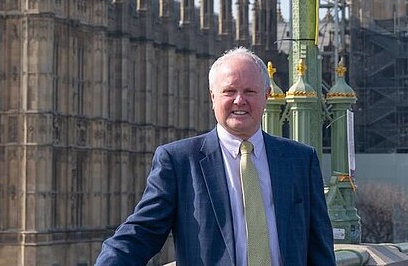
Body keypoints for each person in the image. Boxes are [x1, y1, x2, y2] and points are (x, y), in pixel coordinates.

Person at [95, 47, 336, 266]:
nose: (239, 100)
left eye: (249, 91)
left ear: (266, 95)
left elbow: (320, 250)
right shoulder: (179, 160)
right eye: (229, 91)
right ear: (212, 97)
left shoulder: (301, 160)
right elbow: (141, 232)